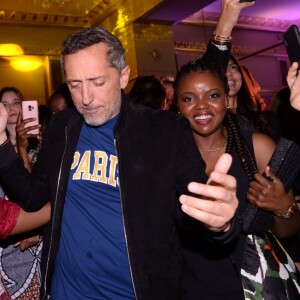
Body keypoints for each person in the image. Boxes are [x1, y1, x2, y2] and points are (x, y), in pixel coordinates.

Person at [0, 1, 254, 299]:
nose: (85, 98)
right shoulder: (62, 127)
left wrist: (220, 225)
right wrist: (3, 146)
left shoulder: (165, 131)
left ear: (123, 76)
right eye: (74, 84)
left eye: (97, 82)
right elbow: (33, 197)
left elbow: (195, 221)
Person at [174, 56, 300, 299]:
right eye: (189, 99)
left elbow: (287, 231)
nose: (202, 106)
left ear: (226, 98)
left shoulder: (257, 147)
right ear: (177, 105)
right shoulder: (167, 156)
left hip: (254, 289)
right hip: (189, 289)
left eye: (212, 95)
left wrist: (282, 206)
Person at [0, 87, 43, 299]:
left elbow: (35, 198)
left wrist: (23, 149)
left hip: (35, 249)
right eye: (4, 104)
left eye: (16, 102)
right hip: (5, 247)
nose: (11, 109)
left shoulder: (40, 150)